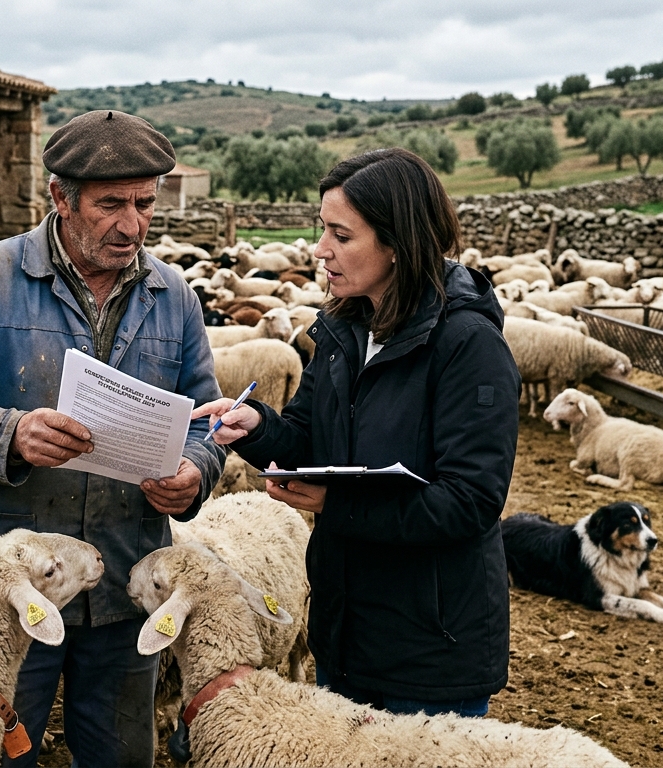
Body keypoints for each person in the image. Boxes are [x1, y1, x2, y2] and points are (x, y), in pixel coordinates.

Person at [0, 109, 225, 767]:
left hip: (123, 580)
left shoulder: (173, 295)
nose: (132, 224)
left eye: (144, 204)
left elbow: (207, 420)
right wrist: (11, 432)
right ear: (60, 198)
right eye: (111, 205)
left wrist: (195, 471)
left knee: (120, 753)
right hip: (8, 590)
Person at [194, 147, 520, 718]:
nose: (321, 250)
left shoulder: (467, 346)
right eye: (323, 230)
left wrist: (336, 504)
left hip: (429, 651)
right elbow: (308, 436)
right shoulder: (348, 330)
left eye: (340, 235)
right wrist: (258, 428)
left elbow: (470, 501)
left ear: (398, 243)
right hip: (348, 633)